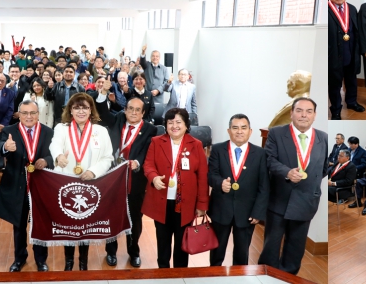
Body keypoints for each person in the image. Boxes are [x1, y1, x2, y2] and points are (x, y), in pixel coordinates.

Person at [257, 97, 327, 275]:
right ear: (291, 113)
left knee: (296, 247)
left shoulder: (323, 138)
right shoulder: (277, 133)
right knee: (271, 245)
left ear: (315, 115)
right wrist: (287, 172)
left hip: (306, 201)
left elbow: (324, 167)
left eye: (309, 111)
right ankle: (267, 276)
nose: (304, 115)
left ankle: (288, 277)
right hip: (279, 198)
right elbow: (269, 160)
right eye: (299, 110)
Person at [48, 93, 114, 271]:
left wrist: (94, 171)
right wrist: (58, 156)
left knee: (85, 224)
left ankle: (83, 261)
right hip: (66, 183)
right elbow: (54, 145)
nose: (81, 111)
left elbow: (108, 158)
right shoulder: (61, 128)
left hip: (91, 184)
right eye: (77, 107)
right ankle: (69, 261)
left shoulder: (101, 131)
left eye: (85, 107)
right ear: (70, 110)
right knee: (68, 223)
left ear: (91, 109)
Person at [94, 94, 156, 268]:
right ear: (125, 110)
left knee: (135, 219)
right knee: (111, 216)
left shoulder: (150, 129)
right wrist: (101, 94)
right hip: (112, 178)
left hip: (135, 180)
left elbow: (148, 151)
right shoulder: (118, 120)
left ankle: (134, 252)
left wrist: (138, 163)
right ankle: (111, 252)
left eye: (138, 110)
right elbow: (103, 113)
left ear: (143, 113)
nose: (133, 112)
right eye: (130, 108)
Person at [141, 107, 208, 268]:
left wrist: (202, 205)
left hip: (186, 205)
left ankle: (180, 275)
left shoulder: (196, 145)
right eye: (170, 122)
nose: (174, 126)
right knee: (163, 244)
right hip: (161, 202)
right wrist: (154, 177)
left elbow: (202, 176)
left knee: (182, 245)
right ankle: (163, 273)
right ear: (165, 125)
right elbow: (148, 164)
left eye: (179, 122)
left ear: (186, 125)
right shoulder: (156, 142)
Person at [0, 101, 54, 272]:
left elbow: (54, 153)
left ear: (38, 114)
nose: (29, 116)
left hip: (41, 186)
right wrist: (5, 147)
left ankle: (41, 259)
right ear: (19, 114)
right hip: (17, 186)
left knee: (40, 224)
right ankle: (19, 258)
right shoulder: (8, 131)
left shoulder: (48, 132)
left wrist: (47, 160)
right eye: (25, 113)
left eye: (33, 113)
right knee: (18, 225)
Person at [206, 114, 269, 266]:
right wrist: (220, 183)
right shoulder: (218, 149)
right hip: (221, 209)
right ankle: (213, 278)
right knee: (217, 252)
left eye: (243, 128)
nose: (239, 131)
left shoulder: (260, 154)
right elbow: (211, 174)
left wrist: (258, 212)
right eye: (235, 128)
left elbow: (264, 186)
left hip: (247, 213)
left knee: (242, 254)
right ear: (229, 131)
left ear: (250, 131)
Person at [328, 0, 365, 119]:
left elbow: (356, 31)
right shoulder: (326, 10)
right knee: (334, 84)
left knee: (351, 80)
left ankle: (351, 102)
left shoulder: (352, 8)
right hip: (333, 55)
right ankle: (336, 110)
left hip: (350, 52)